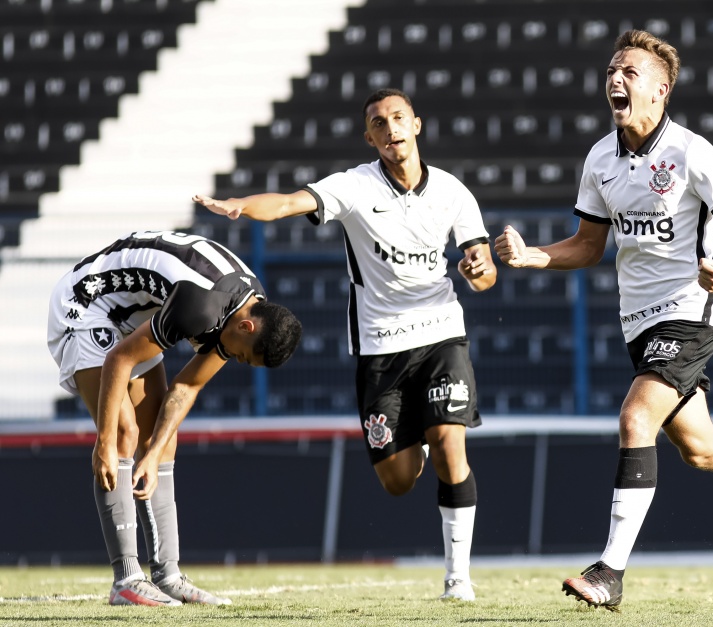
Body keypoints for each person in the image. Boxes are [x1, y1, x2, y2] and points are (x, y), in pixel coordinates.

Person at [494, 30, 713, 611]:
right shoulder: (600, 158)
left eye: (629, 71)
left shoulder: (692, 153)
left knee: (635, 417)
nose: (615, 79)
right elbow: (587, 245)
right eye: (611, 70)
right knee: (699, 449)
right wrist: (531, 256)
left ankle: (610, 573)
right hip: (638, 322)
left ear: (661, 89)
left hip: (691, 311)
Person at [192, 88, 498, 602]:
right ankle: (415, 438)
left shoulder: (453, 193)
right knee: (398, 481)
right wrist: (244, 206)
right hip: (380, 347)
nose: (390, 128)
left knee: (451, 444)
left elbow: (483, 269)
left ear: (416, 125)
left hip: (442, 332)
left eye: (398, 118)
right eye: (378, 122)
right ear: (369, 136)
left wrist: (479, 270)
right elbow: (292, 202)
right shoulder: (354, 186)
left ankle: (457, 578)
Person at [47, 229, 303, 606]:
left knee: (162, 440)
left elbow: (186, 388)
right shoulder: (203, 307)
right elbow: (120, 358)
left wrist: (152, 455)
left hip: (132, 312)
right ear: (247, 327)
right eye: (245, 355)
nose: (238, 360)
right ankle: (126, 579)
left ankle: (168, 575)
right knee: (122, 432)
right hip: (86, 304)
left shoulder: (244, 309)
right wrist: (103, 442)